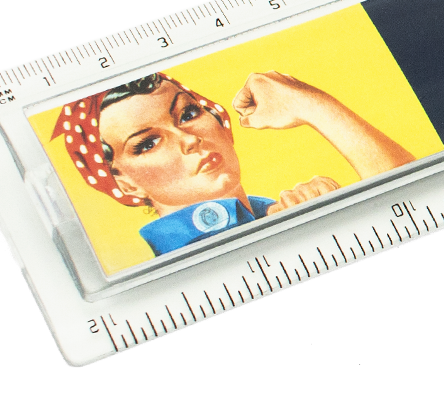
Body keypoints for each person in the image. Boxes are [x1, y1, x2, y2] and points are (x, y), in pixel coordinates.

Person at [52, 70, 423, 257]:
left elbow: (416, 197)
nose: (189, 139)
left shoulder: (267, 211)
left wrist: (311, 104)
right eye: (147, 144)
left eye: (188, 114)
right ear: (125, 183)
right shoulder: (191, 254)